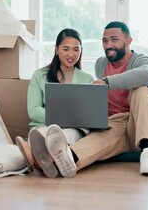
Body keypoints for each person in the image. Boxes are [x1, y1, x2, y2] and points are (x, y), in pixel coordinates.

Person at [42, 21, 148, 178]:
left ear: (128, 41)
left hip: (138, 123)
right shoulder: (101, 64)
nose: (108, 45)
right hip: (114, 125)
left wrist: (107, 82)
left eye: (114, 39)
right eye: (105, 41)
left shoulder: (142, 61)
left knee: (140, 90)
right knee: (92, 144)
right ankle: (64, 160)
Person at [16, 28, 94, 178]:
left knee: (69, 134)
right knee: (40, 133)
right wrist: (66, 118)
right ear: (56, 50)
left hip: (73, 129)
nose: (71, 54)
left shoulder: (87, 78)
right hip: (44, 126)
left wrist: (68, 119)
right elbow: (33, 110)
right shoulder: (40, 76)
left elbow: (88, 113)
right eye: (66, 49)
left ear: (81, 51)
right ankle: (47, 156)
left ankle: (39, 157)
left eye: (76, 49)